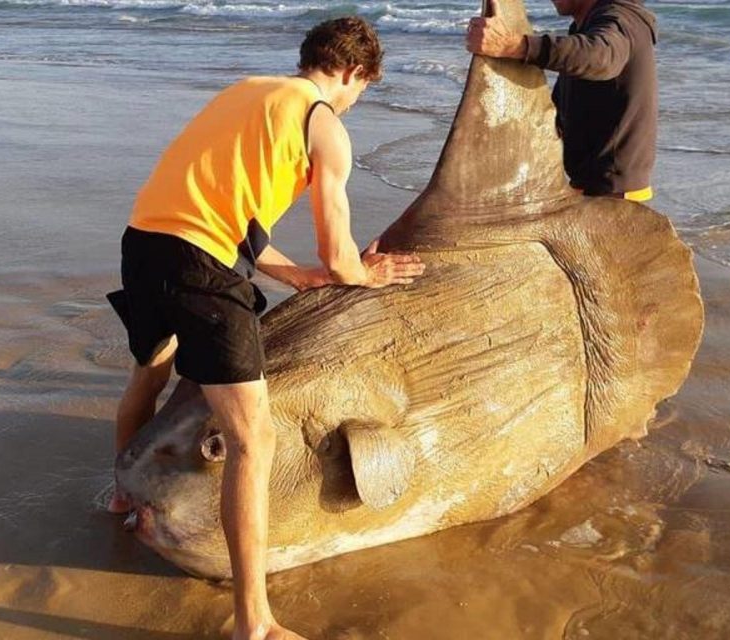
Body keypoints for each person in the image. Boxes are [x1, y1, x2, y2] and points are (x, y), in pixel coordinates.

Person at [106, 17, 424, 640]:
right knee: (254, 441)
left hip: (144, 241)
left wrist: (299, 277)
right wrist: (365, 275)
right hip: (201, 264)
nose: (356, 103)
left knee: (150, 370)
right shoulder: (324, 123)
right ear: (355, 74)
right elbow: (342, 258)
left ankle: (121, 496)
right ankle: (255, 623)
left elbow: (233, 216)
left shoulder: (247, 91)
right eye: (362, 90)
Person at [465, 0, 659, 202]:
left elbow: (600, 56)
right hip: (590, 185)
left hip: (614, 193)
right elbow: (568, 101)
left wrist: (516, 46)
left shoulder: (621, 18)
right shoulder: (584, 27)